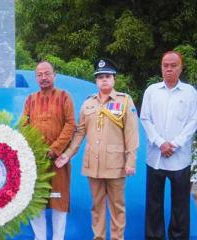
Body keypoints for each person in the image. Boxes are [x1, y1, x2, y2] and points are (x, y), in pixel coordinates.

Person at [59, 58, 139, 240]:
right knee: (96, 206)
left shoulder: (125, 101)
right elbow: (79, 133)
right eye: (100, 77)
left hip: (116, 165)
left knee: (117, 207)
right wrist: (67, 154)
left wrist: (131, 161)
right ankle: (99, 237)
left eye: (108, 76)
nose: (104, 79)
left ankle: (117, 238)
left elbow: (132, 134)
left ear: (114, 79)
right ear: (96, 81)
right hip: (93, 165)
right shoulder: (88, 104)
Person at [141, 51, 197, 240]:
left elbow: (193, 121)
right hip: (155, 157)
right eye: (166, 65)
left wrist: (174, 144)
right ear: (161, 67)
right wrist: (160, 143)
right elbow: (145, 118)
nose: (169, 69)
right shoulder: (151, 91)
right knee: (153, 204)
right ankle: (153, 237)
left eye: (173, 65)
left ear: (181, 67)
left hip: (179, 159)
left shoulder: (190, 92)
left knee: (180, 205)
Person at [22, 61, 76, 240]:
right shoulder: (30, 99)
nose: (43, 77)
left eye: (47, 73)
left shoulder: (64, 97)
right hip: (36, 160)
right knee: (36, 201)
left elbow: (70, 124)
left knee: (59, 201)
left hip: (58, 160)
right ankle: (40, 237)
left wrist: (55, 149)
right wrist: (34, 149)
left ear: (55, 75)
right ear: (35, 77)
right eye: (39, 74)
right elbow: (24, 125)